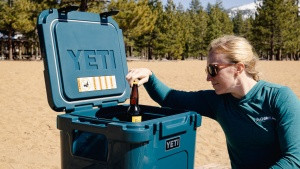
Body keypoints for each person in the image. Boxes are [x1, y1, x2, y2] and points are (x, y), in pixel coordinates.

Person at [126, 35, 300, 169]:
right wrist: (149, 76)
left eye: (213, 69)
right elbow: (171, 98)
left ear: (238, 68)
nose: (208, 77)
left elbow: (294, 159)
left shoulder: (279, 97)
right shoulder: (217, 101)